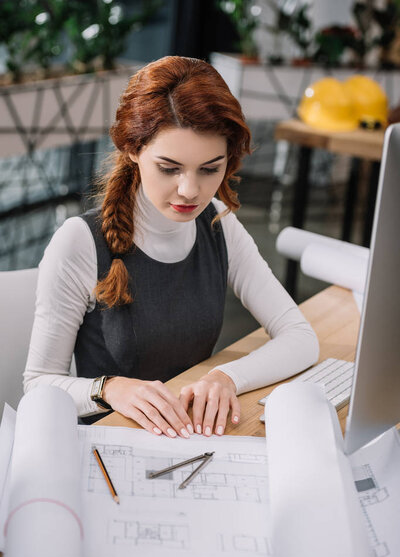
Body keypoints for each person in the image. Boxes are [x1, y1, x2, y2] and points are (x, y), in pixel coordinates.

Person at [24, 56, 319, 438]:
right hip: (108, 447)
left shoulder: (217, 222)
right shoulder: (79, 242)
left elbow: (300, 338)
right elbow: (37, 384)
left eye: (210, 169)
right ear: (132, 148)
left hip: (190, 440)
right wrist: (109, 388)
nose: (190, 191)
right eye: (169, 168)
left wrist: (227, 377)